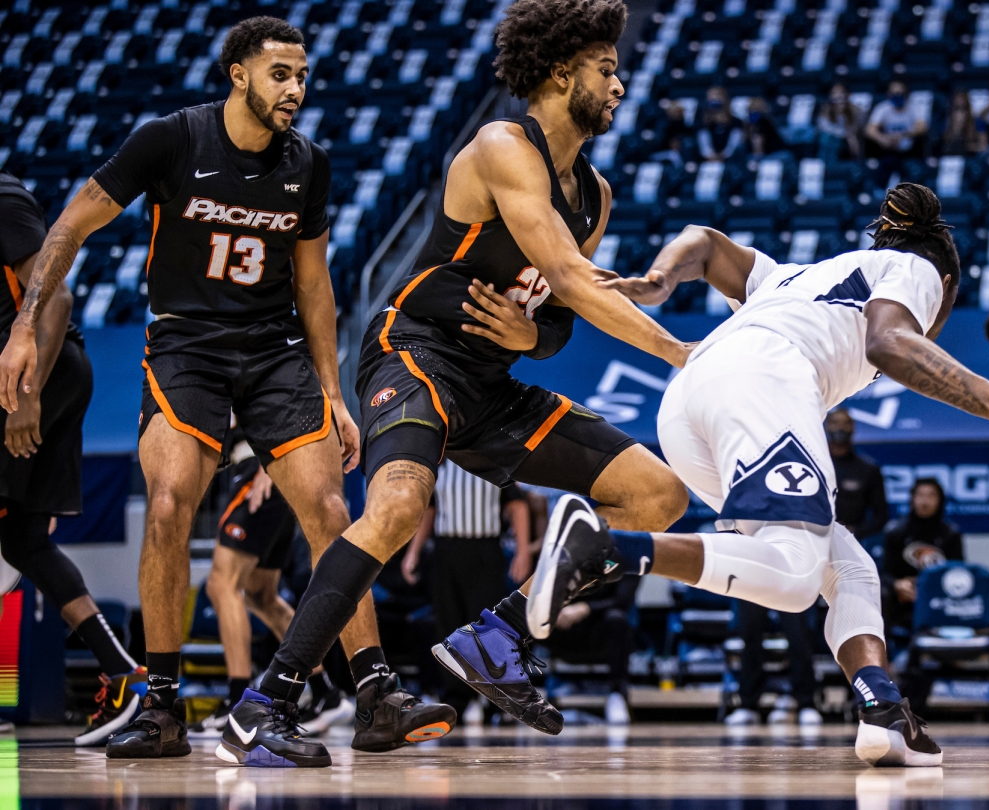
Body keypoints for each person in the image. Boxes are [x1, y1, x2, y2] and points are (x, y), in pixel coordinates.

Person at [221, 0, 691, 768]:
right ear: (561, 70)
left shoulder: (593, 197)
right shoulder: (502, 145)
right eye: (607, 68)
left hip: (488, 384)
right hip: (414, 352)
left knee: (658, 496)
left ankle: (499, 633)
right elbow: (570, 276)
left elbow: (561, 314)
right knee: (400, 503)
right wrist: (680, 353)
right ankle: (262, 703)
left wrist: (533, 336)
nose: (620, 83)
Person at [0, 17, 453, 759]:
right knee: (172, 499)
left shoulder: (309, 163)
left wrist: (334, 392)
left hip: (273, 351)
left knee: (330, 507)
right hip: (186, 343)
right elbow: (68, 228)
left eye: (303, 76)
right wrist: (24, 324)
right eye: (281, 74)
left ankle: (374, 693)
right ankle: (163, 706)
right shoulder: (171, 140)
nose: (296, 89)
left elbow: (313, 283)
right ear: (237, 73)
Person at [557, 182, 989, 766]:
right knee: (794, 580)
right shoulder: (918, 268)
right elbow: (890, 345)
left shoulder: (794, 276)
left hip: (690, 402)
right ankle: (607, 548)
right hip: (761, 379)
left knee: (851, 572)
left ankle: (882, 709)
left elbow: (703, 243)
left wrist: (660, 280)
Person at [0, 171, 145, 747]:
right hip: (41, 380)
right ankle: (124, 676)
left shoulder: (4, 198)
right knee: (25, 544)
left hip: (38, 377)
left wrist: (27, 399)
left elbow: (56, 294)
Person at [192, 431, 352, 738]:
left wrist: (269, 463)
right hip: (271, 470)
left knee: (221, 584)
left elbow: (277, 397)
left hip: (262, 467)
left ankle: (239, 701)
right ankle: (324, 693)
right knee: (261, 596)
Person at [399, 461, 531, 719]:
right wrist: (413, 553)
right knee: (448, 623)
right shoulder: (440, 464)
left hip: (485, 551)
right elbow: (431, 509)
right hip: (446, 551)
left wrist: (523, 551)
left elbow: (517, 505)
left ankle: (495, 699)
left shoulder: (494, 461)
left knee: (488, 627)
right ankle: (456, 696)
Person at [544, 575, 639, 726]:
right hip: (566, 623)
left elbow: (622, 600)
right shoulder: (574, 553)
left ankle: (617, 694)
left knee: (618, 619)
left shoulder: (630, 557)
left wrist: (586, 608)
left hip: (601, 628)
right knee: (525, 619)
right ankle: (515, 696)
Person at [881, 478, 964, 636]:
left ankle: (953, 652)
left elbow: (958, 572)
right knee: (882, 592)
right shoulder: (895, 532)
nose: (925, 501)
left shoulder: (951, 534)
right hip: (903, 594)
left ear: (940, 501)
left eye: (931, 496)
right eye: (920, 495)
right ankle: (885, 657)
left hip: (939, 592)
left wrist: (927, 587)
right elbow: (884, 573)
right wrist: (897, 584)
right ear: (912, 499)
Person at [728, 599, 821, 727]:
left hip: (789, 580)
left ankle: (806, 702)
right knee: (750, 635)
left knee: (799, 636)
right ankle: (747, 704)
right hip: (754, 580)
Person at [826, 408, 889, 542]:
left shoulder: (868, 469)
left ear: (853, 428)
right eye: (835, 422)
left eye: (846, 423)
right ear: (826, 426)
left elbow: (881, 517)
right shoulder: (815, 463)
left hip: (852, 541)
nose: (840, 428)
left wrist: (854, 531)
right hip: (816, 537)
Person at [863, 81, 929, 190]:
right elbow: (869, 129)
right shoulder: (883, 108)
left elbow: (922, 127)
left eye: (900, 93)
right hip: (888, 152)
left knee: (914, 177)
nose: (897, 96)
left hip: (910, 153)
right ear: (888, 95)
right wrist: (883, 139)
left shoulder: (914, 107)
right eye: (894, 93)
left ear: (906, 94)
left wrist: (903, 135)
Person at [816, 83, 864, 164]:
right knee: (826, 137)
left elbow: (857, 128)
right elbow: (823, 127)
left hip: (848, 141)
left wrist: (850, 135)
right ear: (830, 95)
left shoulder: (855, 109)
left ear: (848, 94)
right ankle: (826, 167)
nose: (839, 96)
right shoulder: (825, 109)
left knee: (855, 141)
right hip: (833, 140)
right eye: (835, 93)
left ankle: (855, 167)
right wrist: (845, 134)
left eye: (842, 92)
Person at [698, 86, 744, 162]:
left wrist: (724, 155)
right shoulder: (704, 123)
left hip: (730, 160)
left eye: (717, 96)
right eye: (711, 97)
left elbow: (735, 142)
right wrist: (711, 156)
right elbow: (703, 143)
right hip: (708, 160)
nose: (714, 99)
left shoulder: (736, 122)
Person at [938, 91, 987, 157]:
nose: (960, 113)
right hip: (951, 158)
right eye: (957, 109)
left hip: (971, 158)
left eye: (963, 109)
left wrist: (969, 147)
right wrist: (956, 129)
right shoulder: (946, 122)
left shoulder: (977, 122)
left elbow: (984, 147)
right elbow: (944, 147)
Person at [651, 101, 691, 166]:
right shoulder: (663, 125)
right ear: (670, 112)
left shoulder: (683, 125)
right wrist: (670, 143)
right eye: (676, 112)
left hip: (679, 152)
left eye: (680, 112)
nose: (678, 114)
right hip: (660, 153)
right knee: (674, 155)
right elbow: (658, 143)